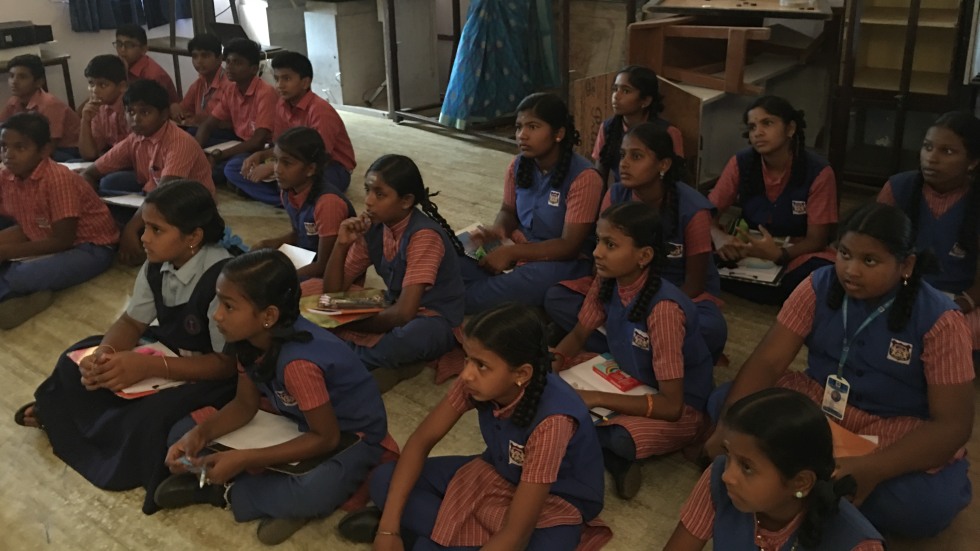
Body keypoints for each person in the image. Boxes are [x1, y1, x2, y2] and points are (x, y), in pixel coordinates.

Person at [705, 203, 974, 539]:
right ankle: (815, 488)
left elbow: (953, 424)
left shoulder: (941, 319)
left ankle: (789, 483)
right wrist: (728, 426)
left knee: (924, 507)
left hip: (890, 428)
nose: (851, 270)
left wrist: (872, 470)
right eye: (844, 254)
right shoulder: (819, 284)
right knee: (724, 405)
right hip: (819, 405)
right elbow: (768, 362)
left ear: (906, 265)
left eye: (869, 261)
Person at [14, 180, 238, 513]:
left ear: (193, 237)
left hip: (209, 373)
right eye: (145, 226)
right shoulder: (155, 264)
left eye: (156, 230)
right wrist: (105, 354)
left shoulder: (222, 278)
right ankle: (70, 422)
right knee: (74, 361)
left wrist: (151, 367)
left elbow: (226, 363)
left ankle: (74, 427)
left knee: (151, 416)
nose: (143, 237)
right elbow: (132, 323)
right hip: (167, 351)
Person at [155, 249, 388, 545]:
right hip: (293, 417)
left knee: (311, 491)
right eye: (219, 301)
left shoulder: (298, 365)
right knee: (180, 431)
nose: (216, 314)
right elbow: (244, 405)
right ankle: (256, 490)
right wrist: (199, 435)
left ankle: (224, 491)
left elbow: (326, 438)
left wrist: (245, 458)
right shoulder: (249, 341)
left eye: (228, 306)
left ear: (268, 316)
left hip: (348, 435)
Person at [338, 303, 611, 551]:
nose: (467, 373)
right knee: (386, 479)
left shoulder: (553, 422)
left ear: (521, 374)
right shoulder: (474, 382)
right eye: (468, 359)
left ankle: (424, 540)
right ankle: (426, 537)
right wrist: (388, 529)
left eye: (481, 365)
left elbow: (517, 533)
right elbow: (421, 441)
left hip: (552, 501)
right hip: (498, 471)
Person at [552, 202, 714, 499]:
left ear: (644, 256)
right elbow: (578, 334)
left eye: (610, 244)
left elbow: (670, 405)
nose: (598, 252)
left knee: (622, 438)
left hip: (678, 405)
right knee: (553, 383)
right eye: (599, 240)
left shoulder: (664, 310)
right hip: (626, 375)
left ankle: (610, 453)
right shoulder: (607, 278)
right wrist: (553, 365)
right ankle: (601, 450)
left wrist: (596, 398)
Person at [546, 122, 727, 361]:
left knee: (711, 329)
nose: (624, 163)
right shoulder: (616, 194)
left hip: (676, 296)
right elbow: (601, 264)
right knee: (557, 298)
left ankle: (622, 343)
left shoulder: (693, 210)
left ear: (663, 164)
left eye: (637, 156)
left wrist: (645, 313)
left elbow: (694, 285)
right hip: (622, 287)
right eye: (622, 155)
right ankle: (637, 347)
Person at [664, 388, 884, 551]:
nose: (728, 476)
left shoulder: (857, 544)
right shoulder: (719, 482)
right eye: (728, 455)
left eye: (747, 467)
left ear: (801, 482)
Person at [322, 154, 465, 389]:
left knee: (409, 339)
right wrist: (341, 245)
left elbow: (403, 315)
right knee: (310, 292)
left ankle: (342, 355)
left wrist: (346, 323)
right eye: (367, 190)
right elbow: (331, 294)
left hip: (432, 318)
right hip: (392, 302)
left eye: (380, 194)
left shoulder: (423, 236)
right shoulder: (374, 229)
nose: (368, 201)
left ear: (406, 201)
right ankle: (365, 357)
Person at [461, 92, 602, 314]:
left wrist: (512, 253)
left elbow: (569, 245)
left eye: (533, 127)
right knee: (456, 259)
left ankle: (457, 302)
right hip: (519, 245)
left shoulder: (584, 177)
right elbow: (508, 210)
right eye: (518, 127)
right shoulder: (518, 165)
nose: (522, 135)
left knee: (478, 294)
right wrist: (497, 230)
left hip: (562, 261)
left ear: (559, 133)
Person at [709, 95, 837, 305]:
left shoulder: (818, 171)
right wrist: (719, 236)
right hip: (748, 246)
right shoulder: (741, 162)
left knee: (823, 273)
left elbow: (817, 240)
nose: (757, 133)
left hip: (796, 252)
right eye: (752, 127)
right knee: (692, 246)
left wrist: (779, 255)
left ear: (790, 129)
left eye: (767, 123)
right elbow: (706, 213)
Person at [0, 112, 117, 328]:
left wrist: (7, 252)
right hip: (38, 234)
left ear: (44, 150)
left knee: (20, 274)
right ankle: (12, 299)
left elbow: (63, 240)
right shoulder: (7, 175)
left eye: (20, 147)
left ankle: (16, 297)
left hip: (89, 247)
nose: (9, 155)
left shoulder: (57, 178)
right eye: (4, 147)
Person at [877, 111, 980, 353]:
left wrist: (962, 302)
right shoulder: (898, 187)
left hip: (958, 299)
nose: (931, 158)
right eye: (927, 147)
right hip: (898, 289)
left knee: (959, 330)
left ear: (973, 162)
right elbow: (872, 249)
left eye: (947, 151)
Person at [82, 79, 215, 265]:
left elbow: (164, 195)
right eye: (130, 112)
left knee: (128, 228)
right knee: (107, 192)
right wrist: (90, 203)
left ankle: (126, 242)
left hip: (188, 209)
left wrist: (130, 229)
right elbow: (90, 172)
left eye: (145, 112)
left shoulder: (179, 142)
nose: (136, 119)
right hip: (154, 196)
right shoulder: (135, 138)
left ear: (164, 115)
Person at [234, 51, 357, 204]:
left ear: (305, 83)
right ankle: (289, 197)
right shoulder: (281, 105)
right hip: (291, 163)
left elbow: (320, 157)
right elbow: (280, 146)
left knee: (307, 183)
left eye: (287, 79)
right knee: (234, 167)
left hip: (329, 167)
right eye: (277, 79)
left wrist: (274, 167)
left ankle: (284, 197)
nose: (279, 85)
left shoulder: (320, 110)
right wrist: (261, 155)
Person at [252, 127, 354, 279]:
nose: (277, 170)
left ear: (310, 169)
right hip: (309, 258)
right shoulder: (288, 191)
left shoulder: (328, 204)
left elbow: (324, 265)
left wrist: (284, 278)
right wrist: (269, 244)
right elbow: (299, 234)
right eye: (275, 160)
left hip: (334, 274)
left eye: (287, 163)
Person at [195, 38, 277, 187]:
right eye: (228, 62)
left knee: (230, 168)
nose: (230, 67)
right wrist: (195, 151)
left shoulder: (266, 93)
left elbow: (258, 141)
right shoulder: (231, 88)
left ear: (253, 69)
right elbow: (208, 124)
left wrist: (219, 155)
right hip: (239, 141)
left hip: (262, 148)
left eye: (237, 63)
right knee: (190, 134)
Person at [593, 65, 683, 185]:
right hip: (621, 198)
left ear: (645, 100)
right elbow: (599, 178)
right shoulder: (608, 127)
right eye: (615, 89)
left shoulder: (668, 132)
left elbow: (678, 180)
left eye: (626, 91)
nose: (616, 96)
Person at [0, 54, 80, 160]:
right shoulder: (14, 101)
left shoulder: (50, 104)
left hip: (66, 150)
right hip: (33, 146)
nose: (14, 81)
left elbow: (50, 146)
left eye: (22, 77)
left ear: (39, 82)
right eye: (11, 76)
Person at [170, 33, 234, 142]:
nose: (199, 61)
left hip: (226, 135)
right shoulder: (199, 83)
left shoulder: (230, 85)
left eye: (205, 56)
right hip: (203, 131)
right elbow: (183, 110)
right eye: (195, 56)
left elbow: (228, 123)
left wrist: (196, 120)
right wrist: (174, 107)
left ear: (219, 59)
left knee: (186, 137)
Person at [78, 54, 130, 161]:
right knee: (69, 165)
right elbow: (89, 155)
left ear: (122, 87)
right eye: (91, 83)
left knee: (107, 178)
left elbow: (132, 155)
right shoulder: (99, 108)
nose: (94, 90)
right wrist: (85, 121)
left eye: (103, 85)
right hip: (112, 159)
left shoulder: (130, 108)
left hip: (135, 164)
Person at [114, 23, 180, 104]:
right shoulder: (120, 65)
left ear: (144, 49)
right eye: (119, 44)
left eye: (129, 45)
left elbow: (151, 109)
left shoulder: (153, 76)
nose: (122, 49)